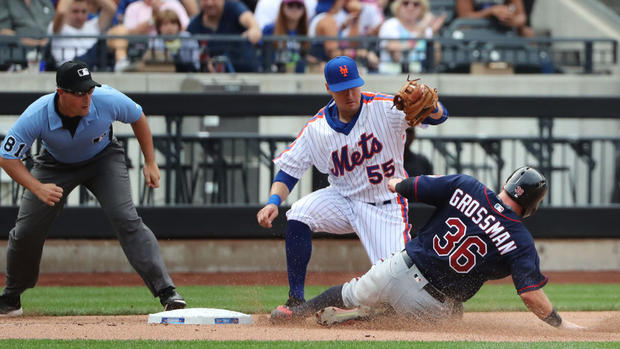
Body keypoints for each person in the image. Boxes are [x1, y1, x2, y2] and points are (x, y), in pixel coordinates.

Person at [270, 166, 585, 331]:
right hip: (432, 305)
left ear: (507, 183)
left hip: (398, 269)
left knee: (347, 291)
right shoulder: (520, 240)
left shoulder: (467, 185)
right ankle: (368, 319)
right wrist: (559, 322)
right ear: (532, 204)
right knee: (453, 315)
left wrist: (393, 184)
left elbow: (408, 187)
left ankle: (295, 313)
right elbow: (530, 294)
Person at [256, 56, 448, 307]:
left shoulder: (386, 107)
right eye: (341, 89)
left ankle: (441, 303)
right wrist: (272, 202)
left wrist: (433, 107)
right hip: (343, 198)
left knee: (397, 287)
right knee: (298, 215)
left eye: (353, 86)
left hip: (386, 206)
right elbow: (288, 172)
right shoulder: (316, 129)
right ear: (329, 89)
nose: (349, 94)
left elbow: (440, 117)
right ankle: (295, 300)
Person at [0, 60, 185, 317]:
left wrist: (150, 161)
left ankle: (167, 291)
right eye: (78, 93)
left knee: (125, 217)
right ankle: (11, 298)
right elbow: (7, 156)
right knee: (26, 230)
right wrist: (37, 187)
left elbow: (137, 116)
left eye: (89, 90)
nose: (87, 98)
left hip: (103, 159)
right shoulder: (37, 113)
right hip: (54, 165)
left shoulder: (105, 98)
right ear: (61, 93)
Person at [187, 0, 262, 73]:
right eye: (205, 0)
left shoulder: (234, 8)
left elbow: (248, 18)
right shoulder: (194, 26)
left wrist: (254, 28)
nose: (209, 3)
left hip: (246, 75)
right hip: (212, 80)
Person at [378, 0, 445, 74]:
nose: (410, 7)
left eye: (416, 4)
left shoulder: (427, 29)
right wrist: (421, 31)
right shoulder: (390, 24)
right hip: (393, 75)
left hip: (421, 76)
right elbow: (397, 56)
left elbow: (436, 60)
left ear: (422, 8)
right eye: (405, 3)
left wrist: (434, 33)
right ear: (398, 6)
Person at [48, 0, 117, 68]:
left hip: (91, 68)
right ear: (67, 11)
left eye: (84, 11)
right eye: (75, 11)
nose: (80, 16)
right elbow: (61, 12)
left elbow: (111, 9)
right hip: (69, 70)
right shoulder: (58, 27)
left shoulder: (93, 26)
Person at [261, 0, 310, 73]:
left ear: (304, 10)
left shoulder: (306, 32)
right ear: (282, 8)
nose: (294, 9)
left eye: (299, 6)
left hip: (299, 77)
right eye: (290, 5)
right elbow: (260, 53)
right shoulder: (269, 29)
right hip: (274, 76)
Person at [455, 0, 530, 37]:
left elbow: (521, 17)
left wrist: (512, 20)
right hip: (475, 32)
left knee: (528, 33)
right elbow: (464, 17)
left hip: (503, 30)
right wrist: (491, 11)